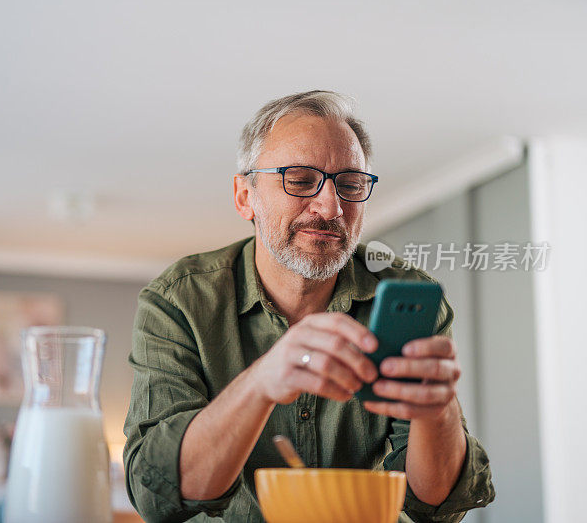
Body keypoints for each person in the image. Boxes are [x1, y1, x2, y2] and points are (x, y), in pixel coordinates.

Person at [123, 91, 495, 522]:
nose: (331, 206)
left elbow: (437, 504)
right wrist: (261, 382)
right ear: (245, 197)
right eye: (300, 180)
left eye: (351, 184)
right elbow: (160, 494)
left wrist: (438, 408)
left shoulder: (407, 296)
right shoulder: (178, 302)